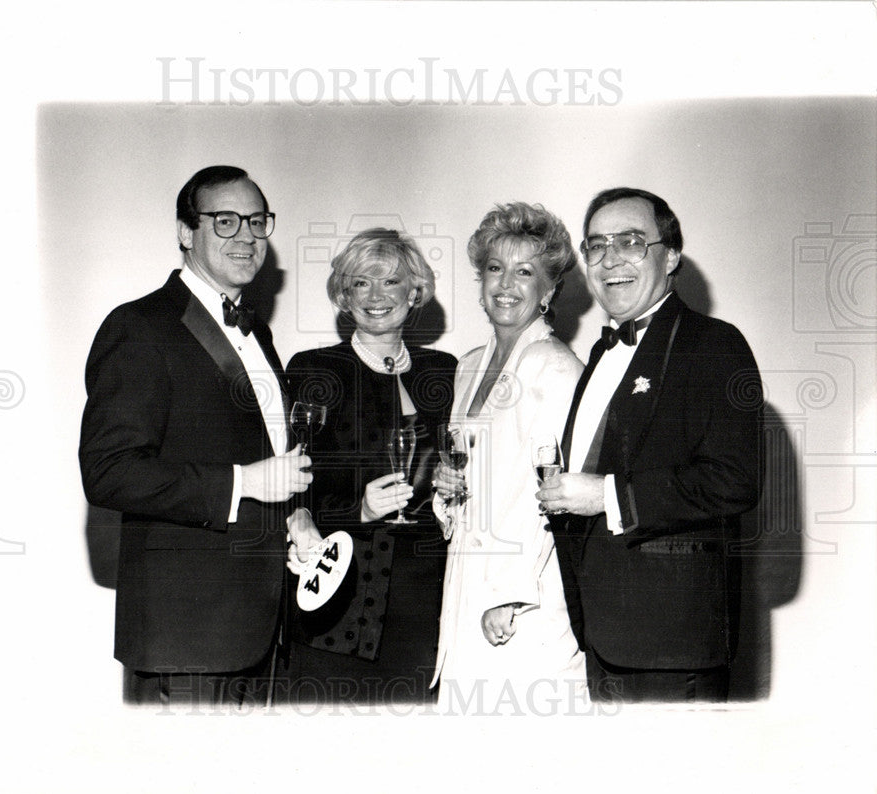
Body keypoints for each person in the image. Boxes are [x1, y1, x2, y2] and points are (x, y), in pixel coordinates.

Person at [79, 165, 317, 706]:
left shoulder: (258, 332)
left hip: (263, 630)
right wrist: (244, 483)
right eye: (226, 221)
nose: (247, 237)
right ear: (186, 233)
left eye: (258, 222)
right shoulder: (139, 326)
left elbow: (267, 457)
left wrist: (294, 516)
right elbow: (108, 472)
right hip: (185, 634)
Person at [539, 187, 763, 703]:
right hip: (599, 635)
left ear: (672, 255)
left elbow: (736, 480)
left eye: (632, 241)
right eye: (596, 245)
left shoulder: (714, 343)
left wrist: (607, 496)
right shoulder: (598, 354)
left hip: (673, 646)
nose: (610, 258)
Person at [284, 228, 456, 705]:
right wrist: (357, 510)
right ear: (344, 295)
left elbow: (462, 466)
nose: (377, 296)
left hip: (424, 593)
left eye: (392, 282)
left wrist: (451, 486)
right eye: (361, 283)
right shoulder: (313, 370)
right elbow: (291, 489)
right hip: (342, 593)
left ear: (414, 291)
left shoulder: (443, 370)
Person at [432, 203, 588, 715]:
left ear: (548, 291)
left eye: (526, 272)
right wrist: (446, 490)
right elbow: (470, 473)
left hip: (524, 595)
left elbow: (551, 492)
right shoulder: (468, 367)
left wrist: (510, 593)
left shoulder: (557, 367)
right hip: (466, 584)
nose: (506, 284)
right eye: (495, 268)